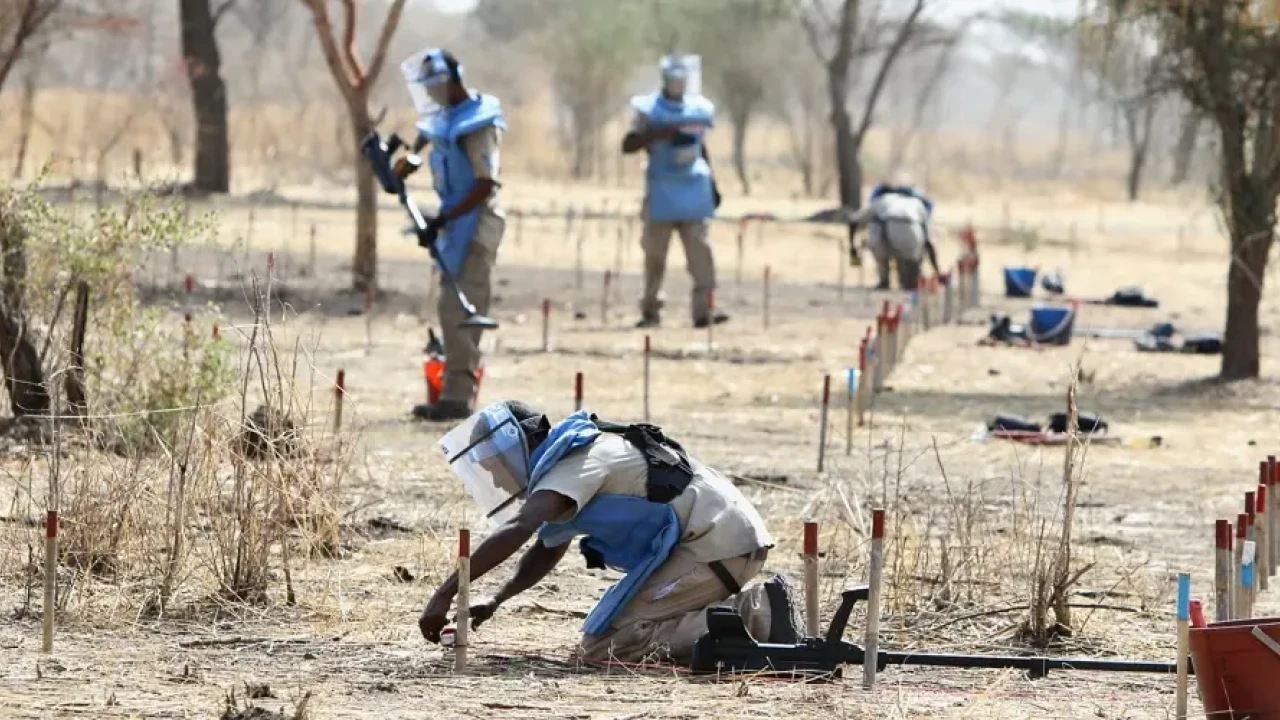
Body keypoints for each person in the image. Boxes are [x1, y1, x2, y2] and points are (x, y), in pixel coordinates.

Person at [419, 400, 802, 664]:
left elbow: (523, 527)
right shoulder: (570, 461)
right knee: (608, 632)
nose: (496, 477)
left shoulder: (575, 462)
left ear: (525, 442)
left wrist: (443, 594)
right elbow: (547, 547)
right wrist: (497, 600)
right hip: (715, 542)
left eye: (497, 464)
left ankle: (757, 611)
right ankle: (734, 620)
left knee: (607, 644)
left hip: (717, 545)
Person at [398, 48, 506, 422]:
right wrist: (406, 159)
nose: (430, 95)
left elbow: (484, 184)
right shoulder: (444, 118)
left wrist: (443, 219)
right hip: (453, 224)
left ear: (452, 81)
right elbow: (426, 138)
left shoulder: (479, 122)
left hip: (475, 227)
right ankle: (451, 393)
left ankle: (457, 400)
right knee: (449, 308)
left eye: (435, 86)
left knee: (462, 310)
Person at [622, 54, 729, 329]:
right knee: (655, 256)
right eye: (673, 79)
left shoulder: (697, 109)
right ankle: (650, 310)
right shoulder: (649, 110)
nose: (678, 84)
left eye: (682, 79)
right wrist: (660, 134)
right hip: (661, 189)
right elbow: (628, 144)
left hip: (693, 189)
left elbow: (701, 148)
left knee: (701, 255)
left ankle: (705, 310)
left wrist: (713, 185)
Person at [845, 183, 940, 291]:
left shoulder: (881, 200)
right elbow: (929, 241)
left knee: (876, 227)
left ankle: (884, 280)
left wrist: (852, 247)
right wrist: (937, 270)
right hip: (914, 236)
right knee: (909, 280)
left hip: (889, 234)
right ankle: (911, 281)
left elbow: (854, 221)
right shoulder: (917, 203)